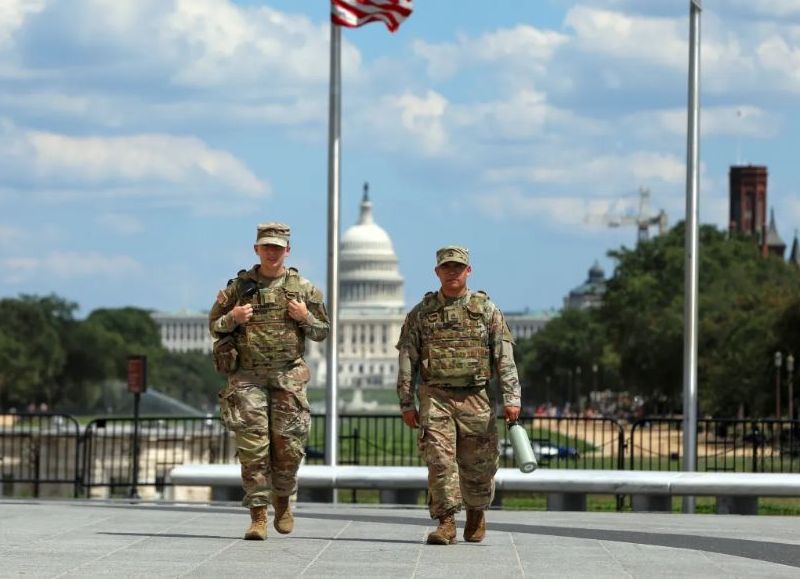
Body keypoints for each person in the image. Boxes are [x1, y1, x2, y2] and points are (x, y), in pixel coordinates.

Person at [209, 222, 329, 541]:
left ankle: (283, 500)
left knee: (288, 447)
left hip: (287, 376)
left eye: (277, 247)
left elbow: (323, 332)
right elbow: (214, 327)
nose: (272, 252)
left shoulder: (303, 289)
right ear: (256, 249)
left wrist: (305, 317)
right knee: (253, 448)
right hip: (247, 377)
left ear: (287, 250)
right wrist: (232, 318)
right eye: (266, 247)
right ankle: (258, 515)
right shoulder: (238, 288)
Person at [396, 245, 521, 545]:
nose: (452, 272)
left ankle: (476, 510)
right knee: (439, 460)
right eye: (446, 267)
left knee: (479, 463)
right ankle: (447, 521)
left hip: (475, 395)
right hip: (435, 394)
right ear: (437, 272)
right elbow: (407, 358)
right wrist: (406, 401)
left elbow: (504, 356)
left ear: (468, 271)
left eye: (458, 267)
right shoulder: (421, 314)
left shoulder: (486, 311)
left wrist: (512, 397)